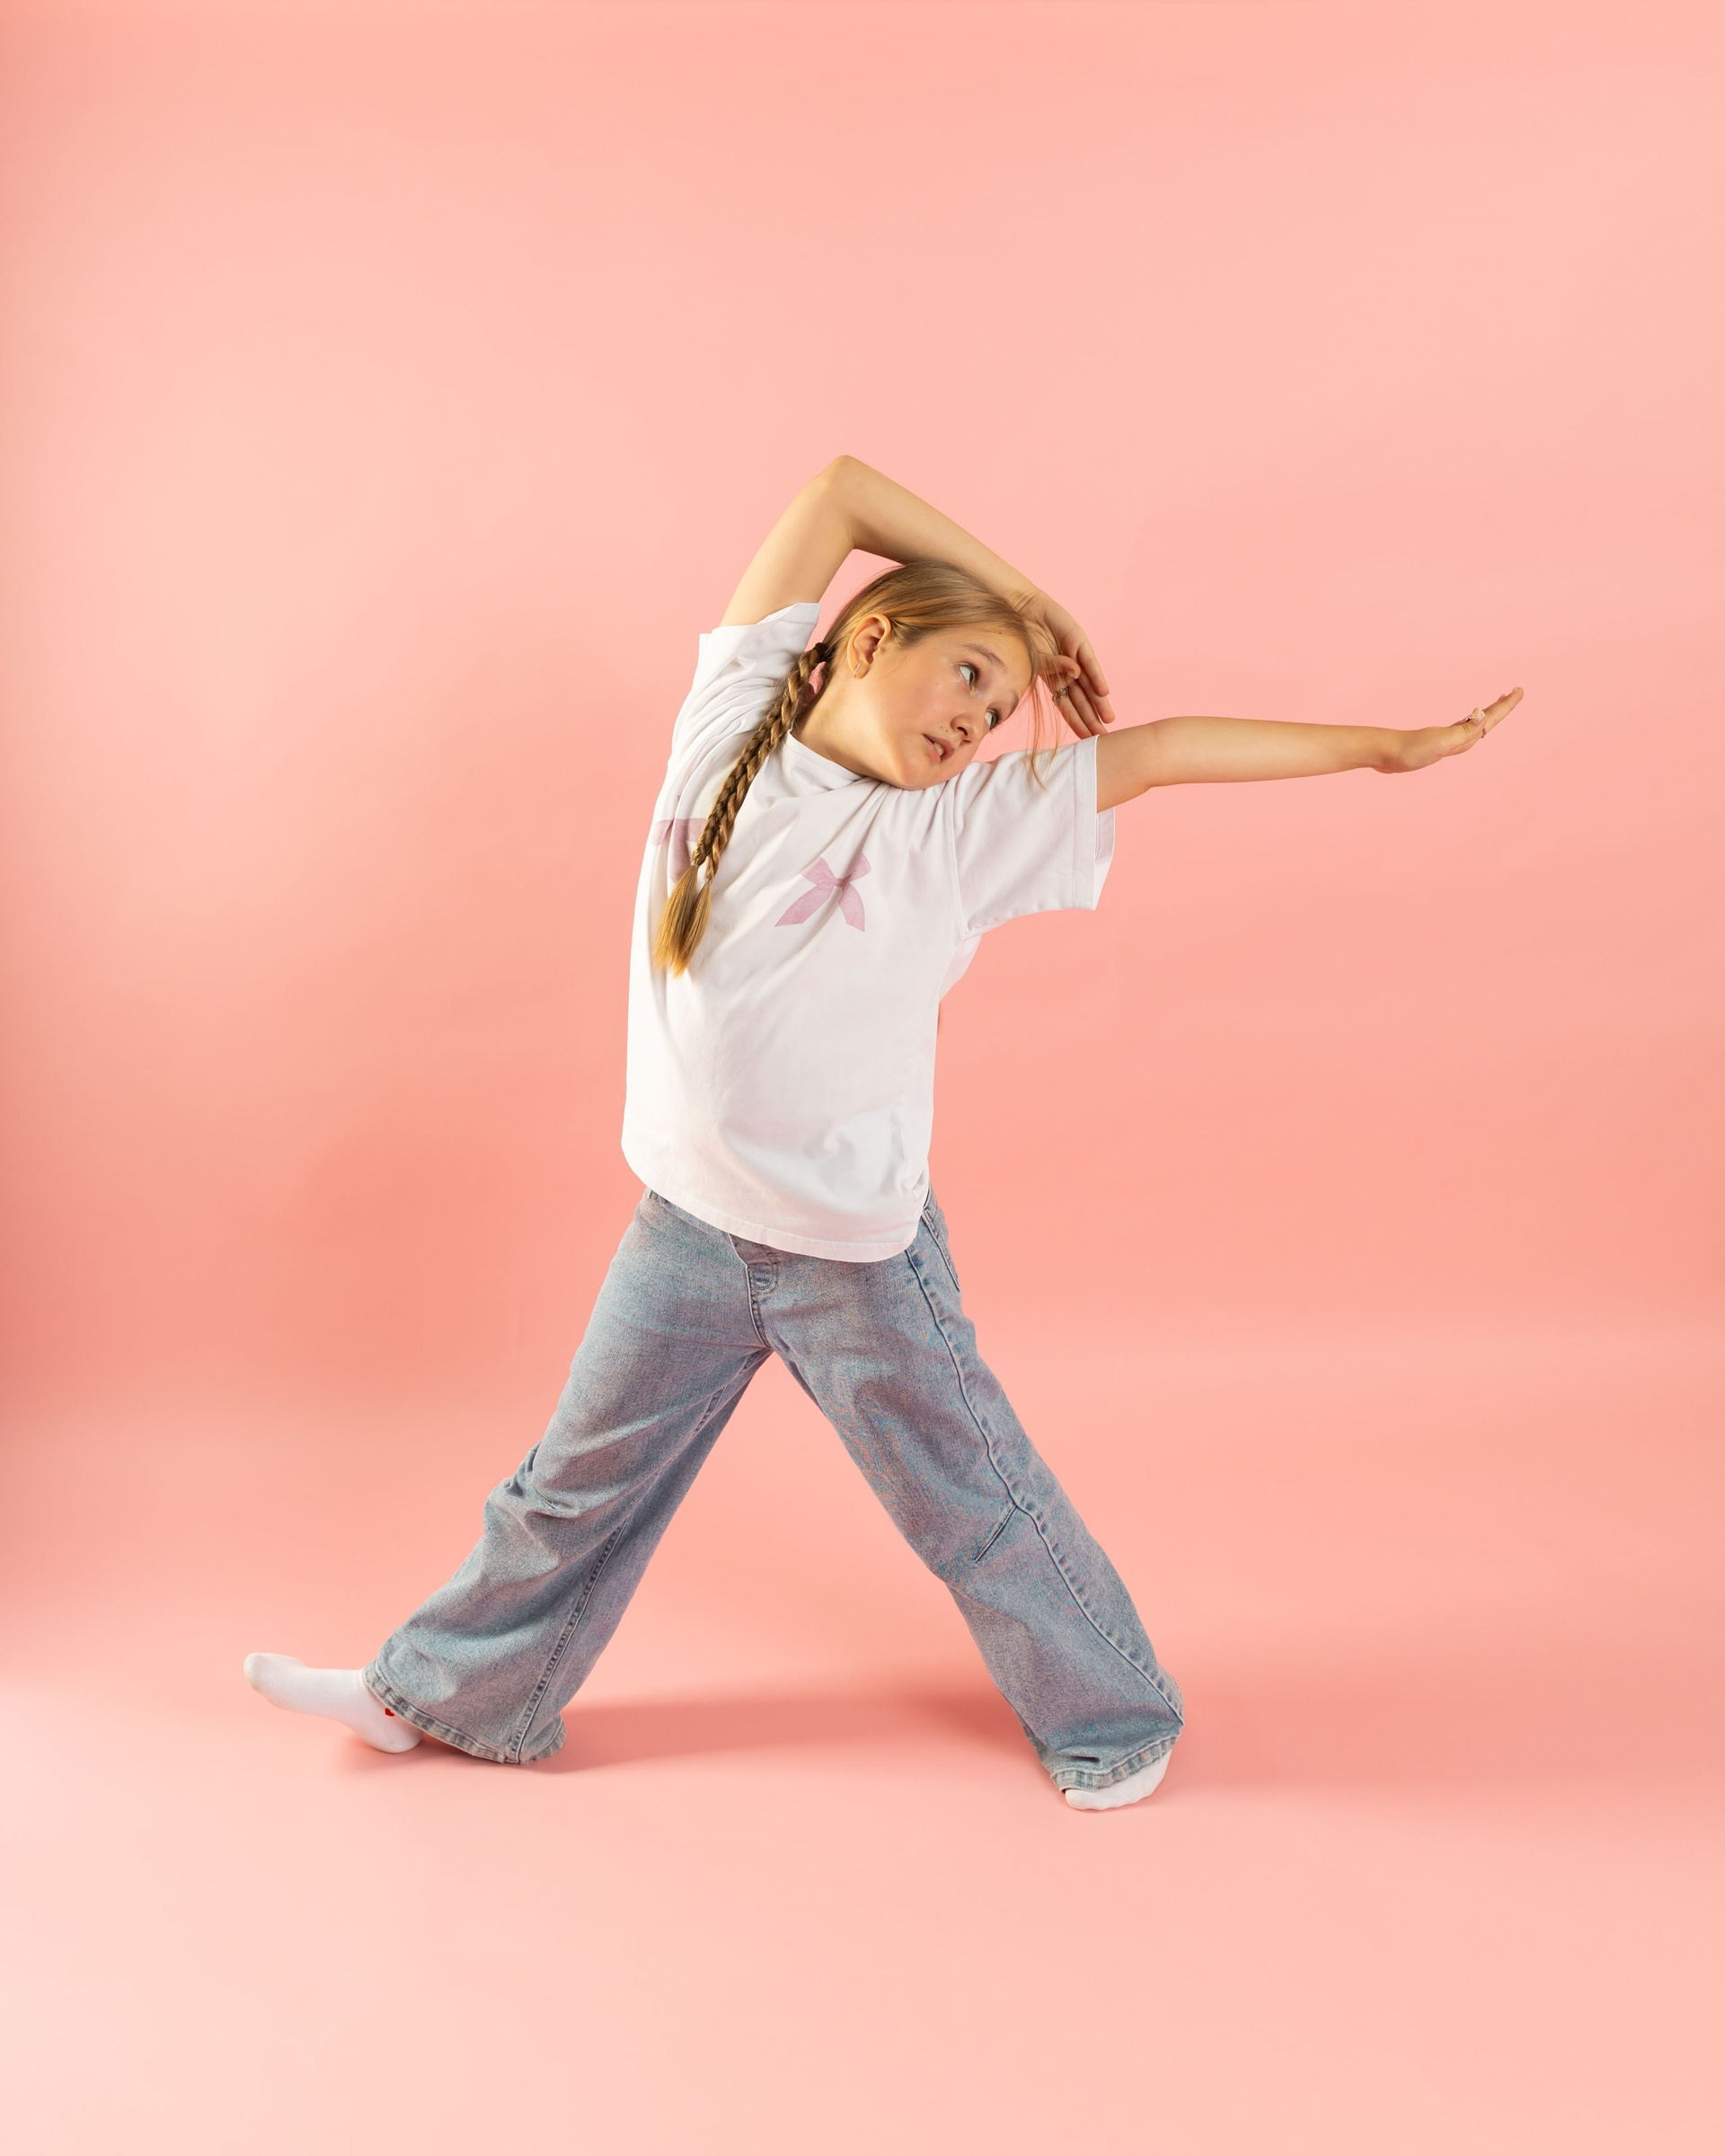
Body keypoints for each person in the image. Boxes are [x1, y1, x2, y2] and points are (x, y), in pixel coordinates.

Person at [243, 455, 1521, 1808]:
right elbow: (840, 495)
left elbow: (1157, 754)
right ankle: (448, 1694)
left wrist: (1384, 749)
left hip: (851, 1256)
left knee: (973, 1501)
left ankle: (1118, 1717)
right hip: (688, 1227)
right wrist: (1032, 603)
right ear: (866, 638)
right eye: (968, 674)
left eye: (1000, 707)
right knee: (570, 1490)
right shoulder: (726, 727)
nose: (981, 719)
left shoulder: (958, 830)